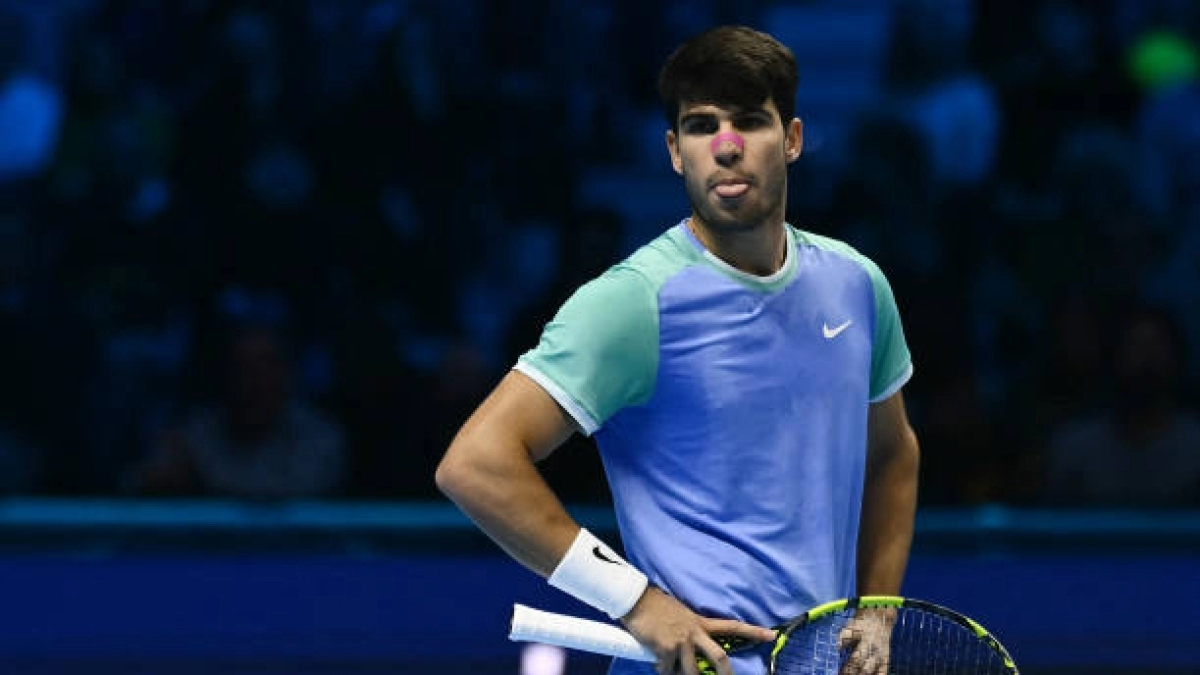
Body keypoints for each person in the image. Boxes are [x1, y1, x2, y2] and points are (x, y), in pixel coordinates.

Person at [436, 26, 920, 675]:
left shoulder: (857, 285)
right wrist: (635, 599)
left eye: (750, 121)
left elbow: (893, 452)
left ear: (794, 139)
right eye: (701, 125)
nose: (725, 147)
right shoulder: (633, 303)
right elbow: (476, 464)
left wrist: (879, 607)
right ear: (673, 151)